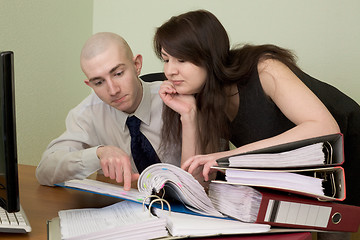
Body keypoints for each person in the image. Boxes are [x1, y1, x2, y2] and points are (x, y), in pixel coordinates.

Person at [155, 9, 360, 207]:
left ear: (209, 56)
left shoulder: (264, 69)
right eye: (166, 60)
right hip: (313, 176)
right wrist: (189, 115)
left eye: (181, 60)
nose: (170, 71)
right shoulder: (203, 98)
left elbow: (325, 128)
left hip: (352, 149)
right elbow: (199, 185)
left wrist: (228, 157)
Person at [36, 32, 180, 190]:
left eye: (118, 74)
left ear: (137, 65)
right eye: (99, 82)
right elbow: (45, 170)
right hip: (125, 209)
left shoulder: (175, 99)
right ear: (90, 84)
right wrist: (98, 153)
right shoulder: (87, 113)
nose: (113, 90)